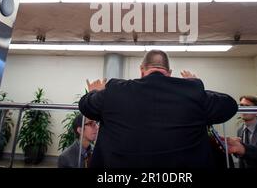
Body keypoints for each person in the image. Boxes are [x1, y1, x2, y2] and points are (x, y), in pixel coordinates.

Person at [78, 49, 238, 168]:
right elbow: (230, 106)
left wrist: (95, 92)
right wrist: (194, 86)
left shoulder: (115, 90)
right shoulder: (192, 91)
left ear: (142, 70)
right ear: (169, 73)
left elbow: (85, 105)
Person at [226, 95, 257, 168]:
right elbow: (241, 157)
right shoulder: (240, 130)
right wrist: (234, 148)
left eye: (247, 106)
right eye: (241, 106)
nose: (243, 109)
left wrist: (243, 148)